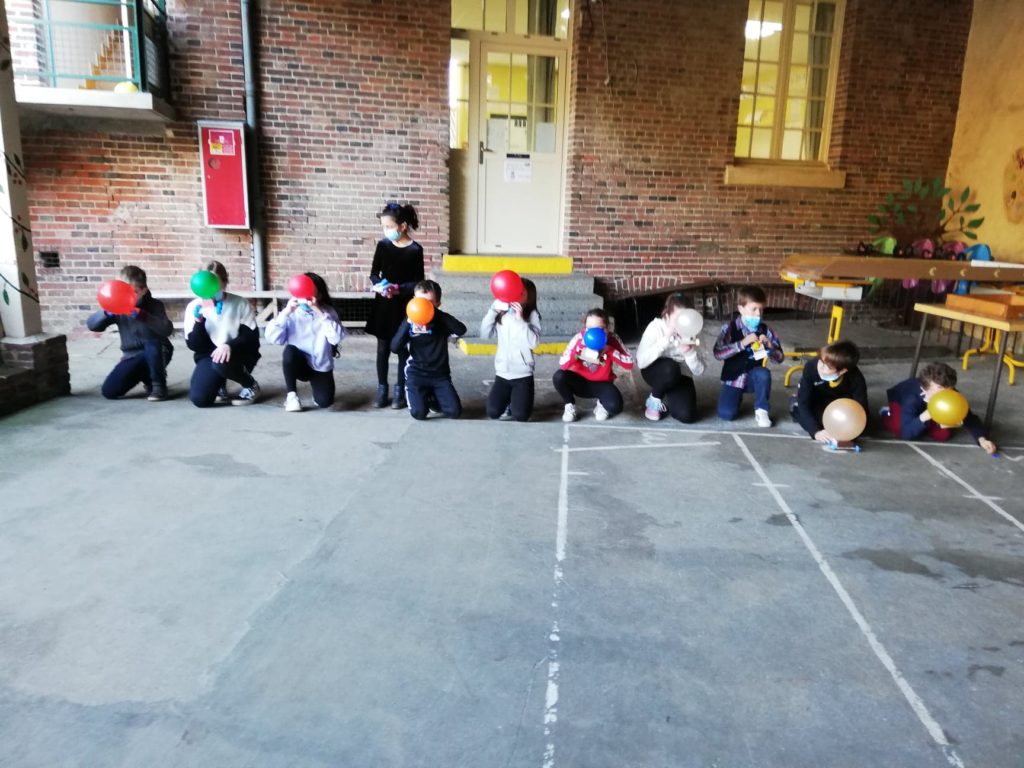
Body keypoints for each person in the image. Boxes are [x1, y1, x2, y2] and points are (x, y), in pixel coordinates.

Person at [366, 202, 424, 409]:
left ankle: (401, 389)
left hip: (404, 304)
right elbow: (374, 273)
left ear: (403, 226)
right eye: (383, 227)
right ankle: (382, 388)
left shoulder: (415, 250)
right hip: (384, 303)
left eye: (389, 226)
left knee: (401, 348)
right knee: (382, 348)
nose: (386, 230)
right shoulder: (383, 246)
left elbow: (418, 282)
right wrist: (380, 285)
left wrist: (398, 288)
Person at [86, 265, 173, 401]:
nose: (129, 296)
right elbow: (93, 326)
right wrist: (106, 312)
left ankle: (158, 385)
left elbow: (166, 329)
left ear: (144, 290)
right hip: (132, 355)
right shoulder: (118, 307)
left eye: (134, 292)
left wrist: (143, 316)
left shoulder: (155, 305)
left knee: (153, 344)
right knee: (109, 391)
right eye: (124, 292)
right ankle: (147, 377)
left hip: (158, 352)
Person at [183, 260, 261, 407]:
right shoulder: (194, 307)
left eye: (215, 283)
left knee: (221, 363)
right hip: (209, 355)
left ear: (225, 283)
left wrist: (229, 345)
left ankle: (250, 385)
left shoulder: (240, 303)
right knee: (200, 399)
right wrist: (199, 322)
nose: (211, 289)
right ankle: (219, 383)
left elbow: (251, 338)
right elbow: (195, 346)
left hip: (238, 354)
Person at [264, 272, 346, 412]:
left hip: (320, 366)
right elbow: (272, 338)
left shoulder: (328, 312)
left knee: (324, 402)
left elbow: (336, 338)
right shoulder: (291, 312)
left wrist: (320, 313)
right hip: (299, 363)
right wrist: (286, 312)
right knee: (289, 351)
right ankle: (292, 396)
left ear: (319, 295)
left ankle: (317, 392)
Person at [390, 280, 467, 420]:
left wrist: (436, 313)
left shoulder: (441, 320)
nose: (423, 306)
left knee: (454, 412)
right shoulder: (409, 321)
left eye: (429, 303)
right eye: (420, 302)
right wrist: (408, 323)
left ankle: (433, 396)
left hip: (440, 375)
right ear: (414, 301)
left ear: (438, 303)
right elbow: (395, 347)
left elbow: (461, 329)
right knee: (419, 413)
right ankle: (422, 396)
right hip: (417, 374)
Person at [882, 362, 997, 454]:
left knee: (943, 434)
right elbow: (905, 434)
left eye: (949, 389)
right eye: (939, 388)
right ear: (926, 388)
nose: (945, 393)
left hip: (929, 407)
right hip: (900, 400)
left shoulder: (950, 393)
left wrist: (982, 439)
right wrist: (925, 416)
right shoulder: (912, 399)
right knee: (899, 429)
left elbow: (969, 417)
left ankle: (923, 422)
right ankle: (886, 413)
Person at [713, 284, 784, 426]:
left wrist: (770, 346)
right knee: (726, 414)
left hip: (754, 377)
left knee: (763, 373)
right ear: (741, 309)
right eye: (754, 309)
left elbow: (779, 359)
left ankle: (762, 410)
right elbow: (718, 353)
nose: (758, 314)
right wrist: (742, 343)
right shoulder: (729, 328)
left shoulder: (766, 330)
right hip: (733, 378)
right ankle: (736, 397)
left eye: (761, 309)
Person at [553, 308, 634, 422]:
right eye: (590, 328)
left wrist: (610, 350)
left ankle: (601, 404)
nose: (594, 333)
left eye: (600, 329)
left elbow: (629, 363)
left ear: (607, 329)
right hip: (580, 383)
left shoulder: (612, 339)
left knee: (615, 407)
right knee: (559, 376)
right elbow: (563, 364)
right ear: (585, 328)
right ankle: (570, 405)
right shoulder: (579, 338)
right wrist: (578, 350)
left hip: (602, 384)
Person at [636, 292, 705, 423]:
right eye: (677, 320)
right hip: (655, 371)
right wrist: (665, 340)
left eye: (685, 320)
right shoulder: (655, 327)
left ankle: (671, 400)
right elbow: (641, 361)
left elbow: (699, 371)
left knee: (687, 416)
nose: (681, 325)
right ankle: (654, 400)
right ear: (667, 316)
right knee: (670, 368)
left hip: (681, 374)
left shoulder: (694, 330)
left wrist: (689, 353)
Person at [480, 278, 541, 422]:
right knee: (493, 412)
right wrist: (493, 311)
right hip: (502, 373)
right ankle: (508, 401)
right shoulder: (502, 313)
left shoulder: (532, 314)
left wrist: (520, 321)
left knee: (521, 415)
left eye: (521, 292)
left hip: (523, 375)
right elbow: (484, 334)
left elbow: (534, 343)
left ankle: (518, 400)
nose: (516, 295)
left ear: (529, 296)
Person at [791, 340, 869, 444]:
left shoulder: (855, 378)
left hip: (843, 404)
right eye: (820, 361)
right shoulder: (811, 368)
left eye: (827, 367)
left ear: (842, 371)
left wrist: (849, 434)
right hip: (818, 400)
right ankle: (794, 402)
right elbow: (804, 403)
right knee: (802, 411)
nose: (820, 368)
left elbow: (860, 408)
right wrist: (815, 431)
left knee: (867, 426)